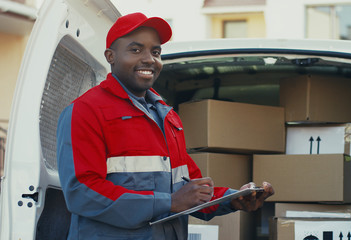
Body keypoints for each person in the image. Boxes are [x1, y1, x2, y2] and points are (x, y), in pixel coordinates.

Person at [56, 12, 274, 239]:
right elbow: (82, 192)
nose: (149, 59)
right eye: (136, 49)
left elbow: (189, 191)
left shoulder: (167, 116)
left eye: (156, 52)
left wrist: (233, 198)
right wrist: (168, 202)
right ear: (110, 56)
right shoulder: (85, 111)